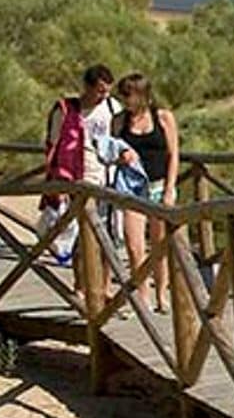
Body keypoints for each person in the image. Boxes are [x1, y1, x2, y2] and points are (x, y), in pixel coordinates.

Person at [43, 65, 119, 277]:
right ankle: (80, 285)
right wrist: (54, 180)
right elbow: (53, 144)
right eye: (100, 90)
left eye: (107, 91)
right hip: (76, 177)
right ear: (87, 86)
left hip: (107, 178)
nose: (104, 95)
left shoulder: (113, 108)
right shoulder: (66, 110)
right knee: (81, 235)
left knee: (105, 235)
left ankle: (102, 286)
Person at [112, 73, 179, 314]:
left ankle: (162, 293)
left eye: (128, 95)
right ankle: (142, 294)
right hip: (131, 188)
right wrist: (120, 157)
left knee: (160, 244)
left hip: (158, 185)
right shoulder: (119, 121)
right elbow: (110, 151)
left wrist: (170, 188)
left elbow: (173, 155)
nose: (124, 101)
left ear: (142, 95)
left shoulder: (163, 118)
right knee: (134, 245)